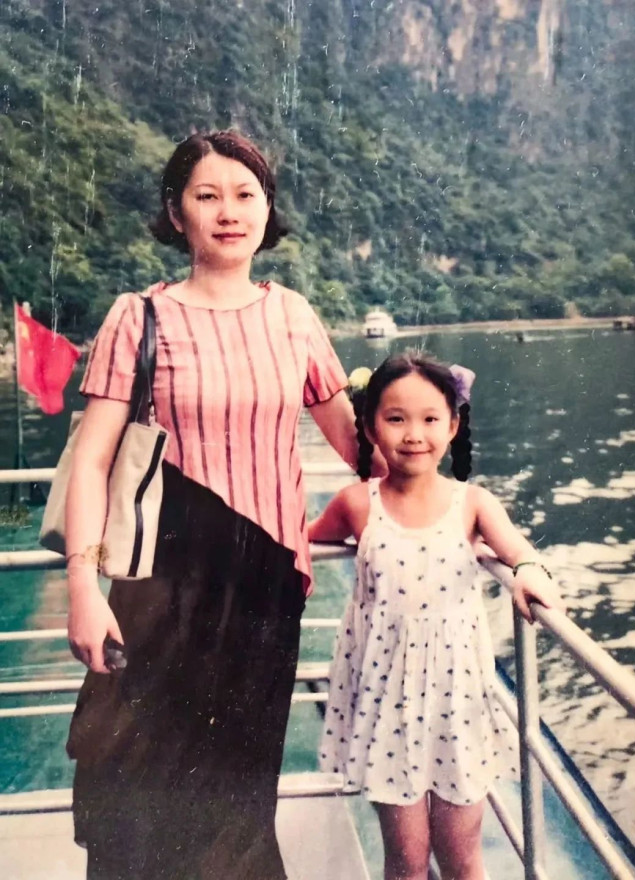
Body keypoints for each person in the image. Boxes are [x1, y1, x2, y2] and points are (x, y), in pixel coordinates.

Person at [64, 129, 364, 880]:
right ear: (177, 213)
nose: (229, 212)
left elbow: (361, 447)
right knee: (139, 785)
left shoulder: (292, 315)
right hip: (162, 584)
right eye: (207, 196)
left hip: (265, 587)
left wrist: (443, 442)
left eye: (244, 194)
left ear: (267, 208)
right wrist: (82, 590)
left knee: (237, 796)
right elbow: (92, 461)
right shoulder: (139, 316)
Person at [309, 353, 565, 880]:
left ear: (452, 426)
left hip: (457, 704)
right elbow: (301, 541)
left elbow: (518, 550)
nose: (413, 434)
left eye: (429, 419)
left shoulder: (472, 503)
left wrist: (528, 570)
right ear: (370, 426)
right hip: (387, 706)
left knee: (461, 856)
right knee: (406, 858)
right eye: (396, 418)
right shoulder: (356, 504)